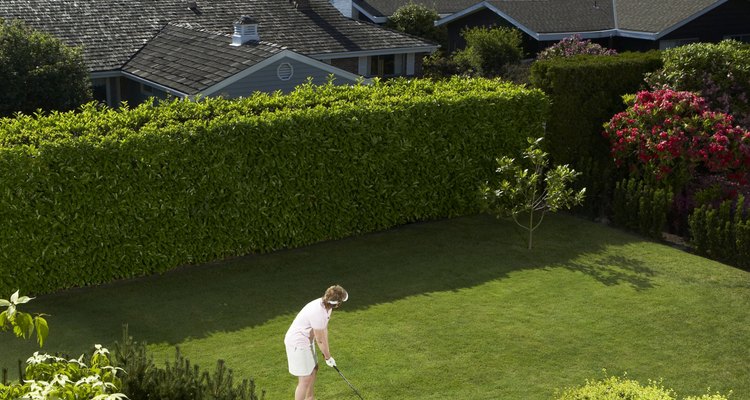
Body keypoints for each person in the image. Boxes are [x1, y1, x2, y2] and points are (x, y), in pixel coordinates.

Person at [284, 284, 349, 400]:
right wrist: (328, 357)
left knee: (314, 369)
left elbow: (324, 331)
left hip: (306, 341)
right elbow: (319, 340)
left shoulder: (326, 308)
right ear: (336, 303)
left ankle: (310, 398)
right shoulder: (318, 312)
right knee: (305, 379)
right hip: (297, 343)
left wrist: (327, 354)